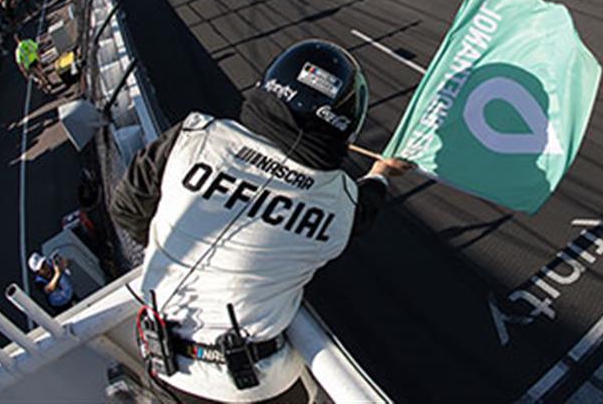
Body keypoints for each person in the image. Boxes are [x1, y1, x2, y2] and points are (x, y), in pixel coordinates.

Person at [110, 40, 412, 404]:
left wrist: (175, 250)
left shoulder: (194, 134)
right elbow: (363, 210)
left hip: (165, 365)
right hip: (257, 385)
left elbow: (126, 207)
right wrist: (381, 174)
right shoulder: (340, 202)